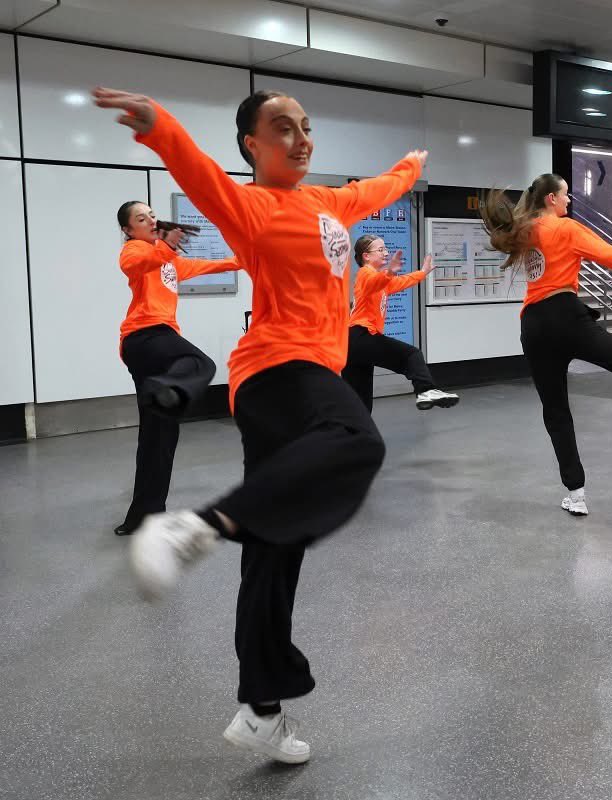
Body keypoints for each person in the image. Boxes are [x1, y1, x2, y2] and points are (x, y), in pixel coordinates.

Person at [94, 85, 426, 764]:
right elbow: (201, 177)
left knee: (276, 544)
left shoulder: (329, 202)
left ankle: (262, 711)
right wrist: (161, 126)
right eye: (282, 129)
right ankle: (197, 527)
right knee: (357, 438)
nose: (300, 139)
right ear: (253, 143)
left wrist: (411, 169)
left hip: (298, 376)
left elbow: (374, 190)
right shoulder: (252, 206)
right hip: (279, 369)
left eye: (306, 128)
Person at [479, 173, 612, 517]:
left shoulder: (524, 233)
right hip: (565, 315)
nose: (569, 201)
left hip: (533, 326)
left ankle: (575, 493)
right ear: (551, 200)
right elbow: (611, 256)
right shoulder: (565, 228)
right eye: (566, 195)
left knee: (555, 410)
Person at [113, 201, 238, 536]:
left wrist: (246, 260)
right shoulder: (134, 250)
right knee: (201, 363)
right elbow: (139, 264)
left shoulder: (170, 261)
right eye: (142, 218)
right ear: (129, 230)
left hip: (157, 345)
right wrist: (165, 245)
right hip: (144, 337)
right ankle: (165, 388)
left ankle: (144, 515)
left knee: (159, 434)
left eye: (152, 215)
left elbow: (207, 266)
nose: (151, 220)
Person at [342, 236, 459, 412]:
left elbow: (401, 281)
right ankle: (426, 390)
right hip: (361, 335)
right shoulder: (365, 274)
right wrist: (389, 272)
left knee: (359, 399)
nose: (386, 253)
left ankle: (351, 434)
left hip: (353, 345)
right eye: (380, 250)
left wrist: (422, 273)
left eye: (385, 249)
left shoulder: (381, 281)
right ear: (366, 256)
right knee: (411, 355)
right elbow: (374, 283)